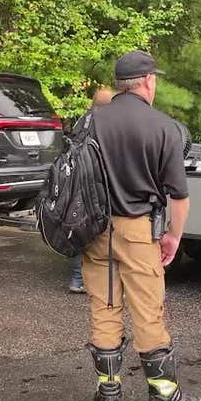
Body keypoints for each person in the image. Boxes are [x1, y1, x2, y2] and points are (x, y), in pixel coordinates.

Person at [82, 50, 201, 401]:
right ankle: (163, 396)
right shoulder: (163, 127)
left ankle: (108, 396)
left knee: (104, 308)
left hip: (95, 229)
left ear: (120, 85)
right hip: (138, 232)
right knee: (147, 312)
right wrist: (173, 236)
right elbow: (179, 196)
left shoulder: (88, 122)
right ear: (149, 82)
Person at [68, 86, 115, 294]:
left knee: (82, 232)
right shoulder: (107, 123)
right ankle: (99, 281)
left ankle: (78, 280)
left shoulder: (82, 121)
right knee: (103, 233)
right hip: (99, 185)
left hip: (79, 184)